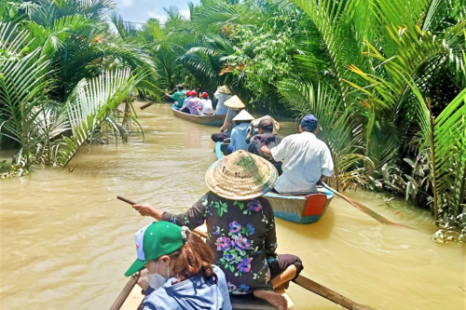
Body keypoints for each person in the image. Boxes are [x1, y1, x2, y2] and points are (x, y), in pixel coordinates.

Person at [132, 151, 304, 310]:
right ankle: (265, 288)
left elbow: (183, 222)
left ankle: (260, 288)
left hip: (215, 274)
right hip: (254, 279)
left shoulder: (211, 200)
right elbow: (270, 247)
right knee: (295, 262)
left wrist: (153, 212)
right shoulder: (263, 205)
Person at [125, 221, 232, 310]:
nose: (148, 273)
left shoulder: (156, 304)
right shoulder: (215, 274)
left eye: (147, 268)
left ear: (165, 260)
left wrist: (152, 292)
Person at [260, 114, 334, 194]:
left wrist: (265, 150)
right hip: (309, 192)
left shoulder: (290, 139)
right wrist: (318, 179)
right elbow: (328, 171)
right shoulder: (322, 146)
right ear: (316, 129)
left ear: (300, 127)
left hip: (283, 188)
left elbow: (275, 155)